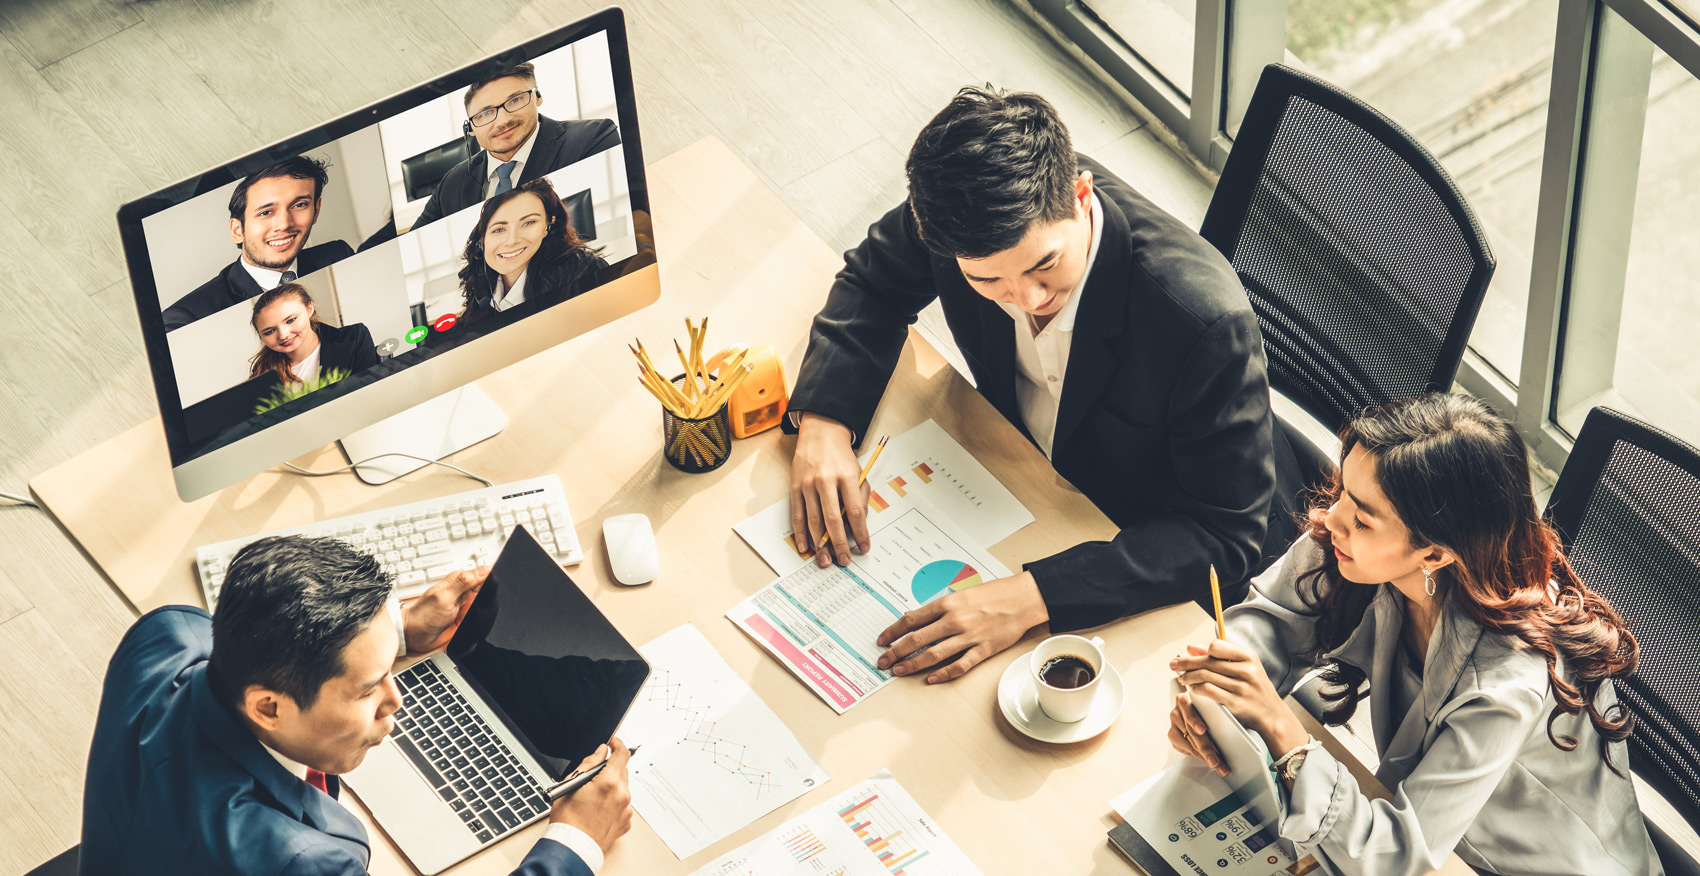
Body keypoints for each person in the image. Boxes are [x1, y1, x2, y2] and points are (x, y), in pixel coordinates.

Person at [787, 86, 1298, 684]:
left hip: (1154, 556)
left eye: (1044, 266)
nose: (1027, 301)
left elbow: (1223, 535)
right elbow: (874, 283)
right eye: (989, 281)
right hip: (1029, 486)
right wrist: (825, 422)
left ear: (1082, 197)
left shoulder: (1203, 323)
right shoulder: (964, 217)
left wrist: (1032, 598)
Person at [1167, 392, 1661, 876]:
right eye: (1343, 492)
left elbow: (1398, 856)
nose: (1330, 518)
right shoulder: (1358, 550)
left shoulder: (1507, 681)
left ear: (1433, 554)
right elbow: (1272, 622)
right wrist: (1222, 692)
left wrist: (1282, 730)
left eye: (1361, 518)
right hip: (1431, 832)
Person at [80, 535, 633, 875]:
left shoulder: (168, 634)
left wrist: (398, 635)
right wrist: (575, 842)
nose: (397, 698)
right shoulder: (301, 861)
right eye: (369, 688)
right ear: (269, 709)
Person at [408, 62, 620, 235]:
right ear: (470, 128)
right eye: (485, 113)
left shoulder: (593, 139)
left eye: (515, 100)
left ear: (537, 97)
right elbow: (416, 241)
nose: (502, 121)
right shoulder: (451, 183)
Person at [165, 156, 355, 331]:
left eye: (299, 205)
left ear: (316, 210)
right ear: (237, 230)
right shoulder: (186, 318)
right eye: (265, 212)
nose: (284, 224)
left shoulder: (339, 254)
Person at [448, 177, 608, 336]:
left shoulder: (583, 272)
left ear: (548, 226)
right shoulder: (483, 289)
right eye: (498, 229)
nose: (511, 241)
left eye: (528, 223)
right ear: (481, 241)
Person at [248, 283, 379, 388]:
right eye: (269, 331)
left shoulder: (355, 337)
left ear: (309, 309)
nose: (283, 335)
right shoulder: (261, 372)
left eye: (291, 320)